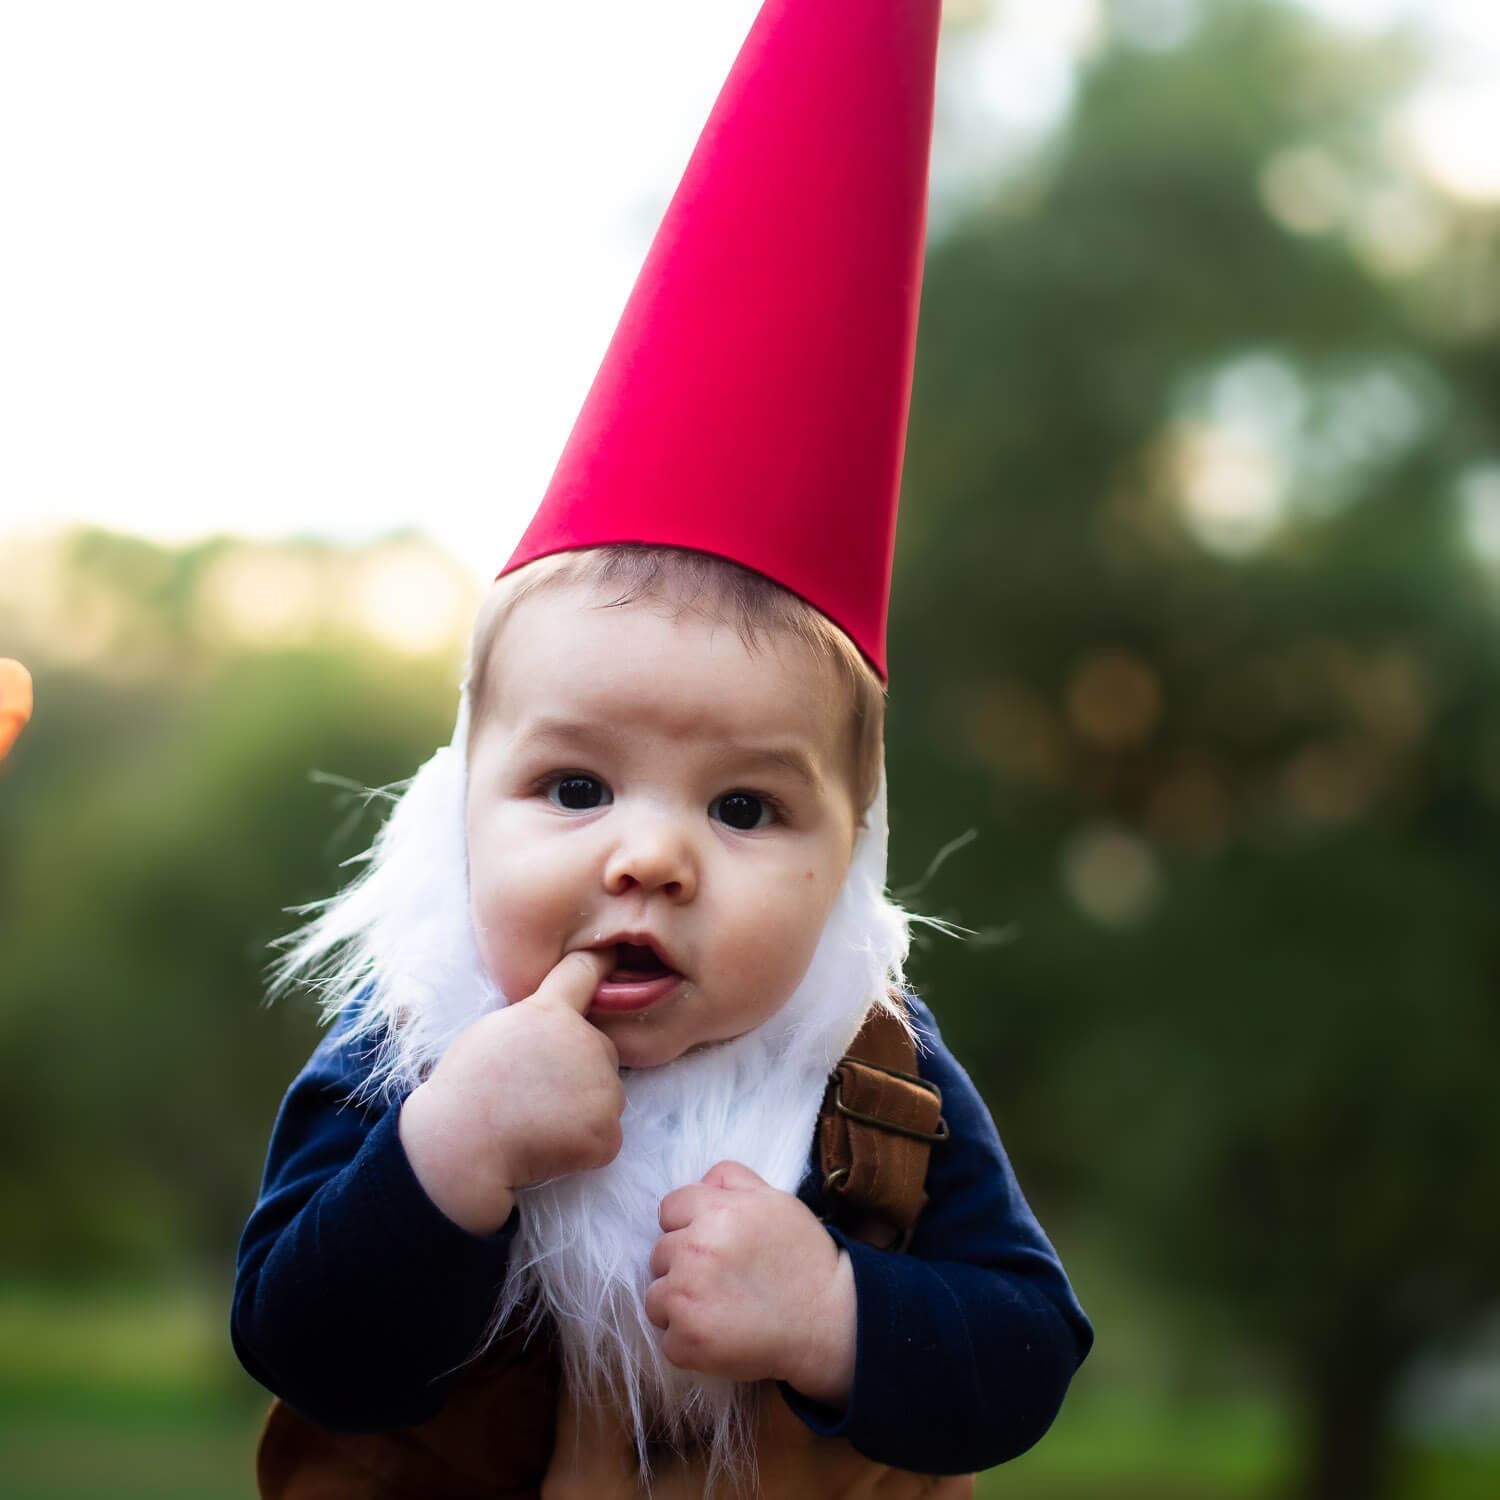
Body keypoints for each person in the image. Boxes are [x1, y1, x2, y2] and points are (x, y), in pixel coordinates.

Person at [231, 2, 1093, 1496]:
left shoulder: (874, 1077)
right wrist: (450, 1160)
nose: (649, 853)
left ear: (851, 858)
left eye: (748, 806)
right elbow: (307, 1348)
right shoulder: (417, 1048)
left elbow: (1025, 1353)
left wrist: (836, 1313)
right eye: (574, 788)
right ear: (460, 813)